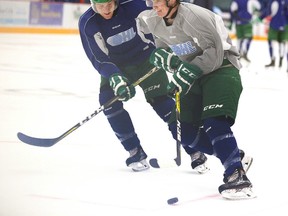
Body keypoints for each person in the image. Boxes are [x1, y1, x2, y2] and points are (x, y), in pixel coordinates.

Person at [137, 0, 255, 199]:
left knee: (213, 121)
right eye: (152, 2)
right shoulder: (154, 20)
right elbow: (165, 47)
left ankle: (237, 177)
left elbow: (215, 53)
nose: (154, 6)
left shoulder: (195, 17)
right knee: (181, 130)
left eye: (158, 2)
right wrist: (166, 58)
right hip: (194, 72)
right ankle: (234, 155)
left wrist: (185, 72)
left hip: (222, 67)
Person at [78, 0, 209, 173]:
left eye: (109, 5)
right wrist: (115, 78)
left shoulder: (136, 5)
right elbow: (98, 57)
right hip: (117, 68)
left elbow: (166, 13)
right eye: (100, 6)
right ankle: (135, 151)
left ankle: (194, 149)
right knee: (108, 102)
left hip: (147, 60)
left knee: (163, 104)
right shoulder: (88, 22)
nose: (105, 10)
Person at [262, 0, 287, 68]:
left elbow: (269, 12)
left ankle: (273, 61)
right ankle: (280, 62)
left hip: (274, 24)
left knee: (272, 42)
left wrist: (261, 17)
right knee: (282, 43)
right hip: (285, 24)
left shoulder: (273, 1)